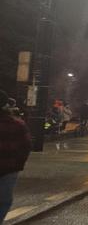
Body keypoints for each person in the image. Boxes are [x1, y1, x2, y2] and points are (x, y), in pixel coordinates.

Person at [0, 90, 31, 222]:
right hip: (8, 170)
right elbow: (26, 147)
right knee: (3, 201)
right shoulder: (16, 124)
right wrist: (16, 166)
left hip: (10, 168)